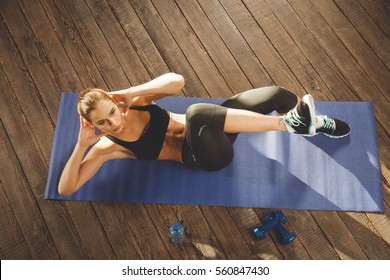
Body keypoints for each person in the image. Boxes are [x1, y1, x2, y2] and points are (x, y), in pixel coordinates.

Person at [58, 73, 350, 196]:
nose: (113, 123)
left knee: (279, 94)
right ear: (95, 126)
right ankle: (289, 124)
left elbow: (177, 81)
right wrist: (82, 145)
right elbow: (66, 189)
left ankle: (308, 123)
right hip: (204, 156)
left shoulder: (136, 103)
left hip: (213, 126)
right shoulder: (109, 146)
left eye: (112, 112)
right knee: (197, 112)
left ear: (115, 103)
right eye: (103, 122)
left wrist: (131, 92)